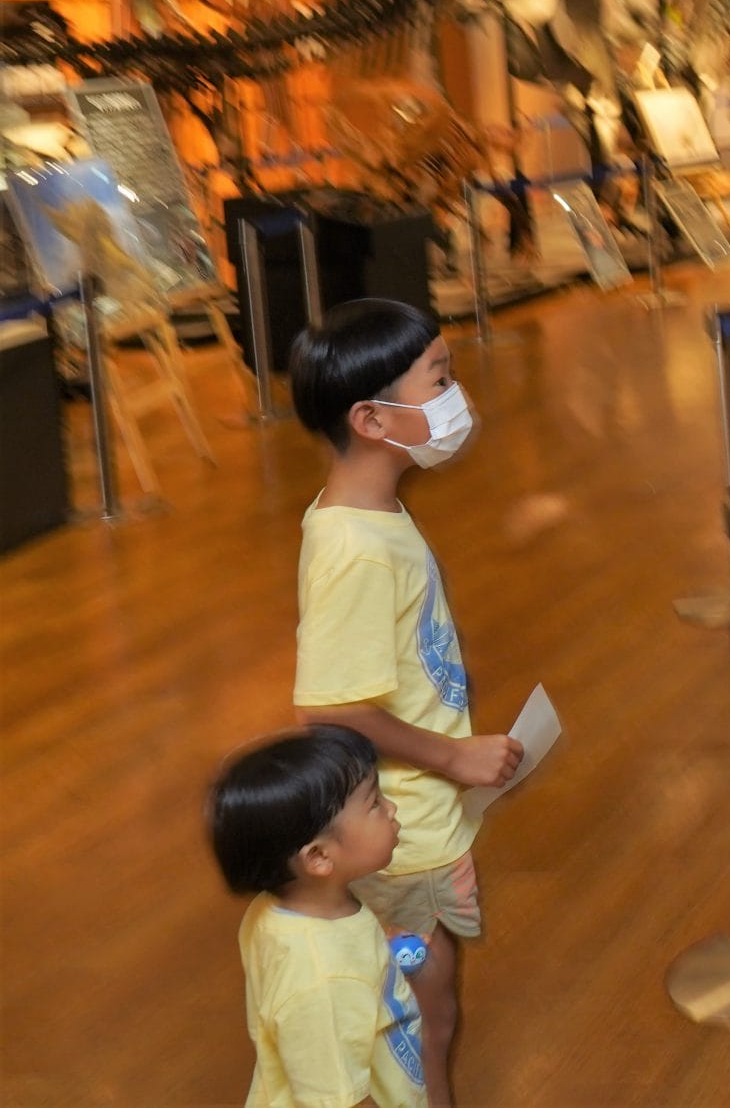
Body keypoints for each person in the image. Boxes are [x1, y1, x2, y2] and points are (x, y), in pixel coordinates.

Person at [287, 299, 519, 1108]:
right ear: (372, 418)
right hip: (402, 833)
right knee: (422, 1016)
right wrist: (455, 755)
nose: (456, 398)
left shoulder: (375, 515)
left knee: (433, 1009)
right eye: (440, 380)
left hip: (424, 817)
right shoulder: (354, 548)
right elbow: (333, 707)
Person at [210, 725, 427, 1108]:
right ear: (319, 856)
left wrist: (376, 950)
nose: (391, 808)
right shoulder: (322, 983)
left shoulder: (280, 909)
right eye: (375, 803)